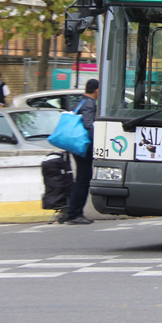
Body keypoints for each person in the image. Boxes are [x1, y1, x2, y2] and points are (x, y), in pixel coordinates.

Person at [63, 78, 98, 225]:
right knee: (83, 180)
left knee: (81, 179)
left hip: (75, 145)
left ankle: (73, 212)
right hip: (84, 146)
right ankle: (75, 214)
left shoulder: (79, 101)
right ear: (97, 90)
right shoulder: (90, 104)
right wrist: (96, 141)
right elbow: (89, 125)